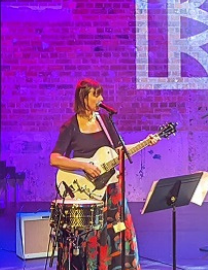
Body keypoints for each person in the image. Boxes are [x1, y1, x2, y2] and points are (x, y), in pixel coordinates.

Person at [50, 78, 160, 270]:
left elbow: (120, 151)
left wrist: (145, 142)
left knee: (119, 232)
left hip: (110, 187)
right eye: (96, 94)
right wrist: (83, 166)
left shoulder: (105, 121)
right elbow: (55, 159)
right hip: (87, 193)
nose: (101, 98)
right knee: (92, 235)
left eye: (101, 94)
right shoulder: (71, 126)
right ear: (84, 98)